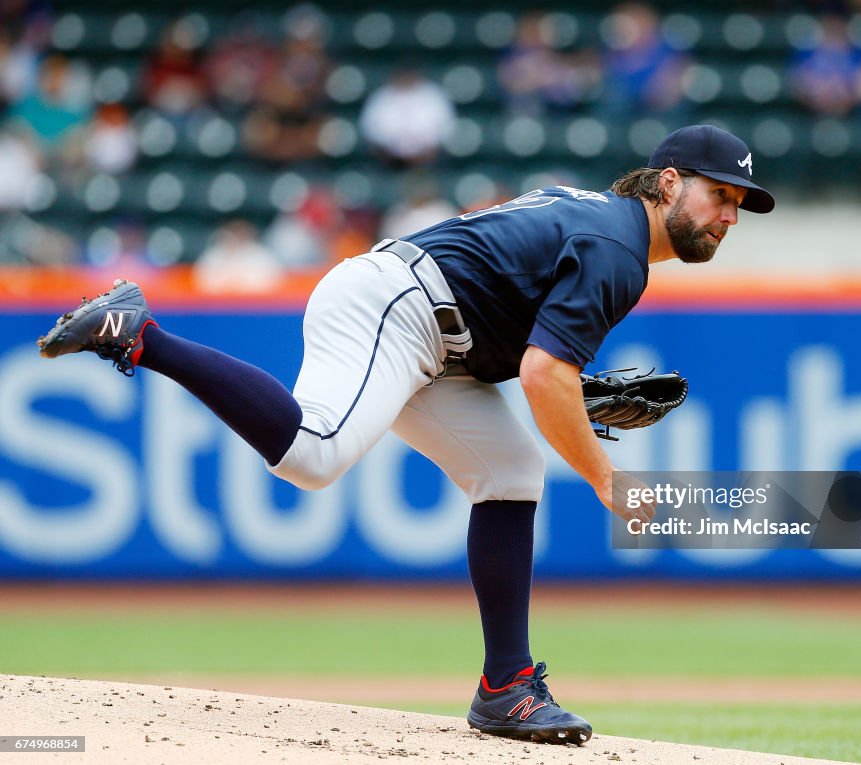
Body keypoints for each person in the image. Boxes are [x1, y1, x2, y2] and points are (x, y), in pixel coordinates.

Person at [37, 124, 774, 745]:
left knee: (513, 470)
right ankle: (141, 334)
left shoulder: (608, 225)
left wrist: (565, 389)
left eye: (739, 205)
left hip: (439, 337)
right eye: (720, 195)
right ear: (669, 182)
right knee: (314, 454)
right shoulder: (619, 247)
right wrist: (605, 476)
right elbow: (544, 371)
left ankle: (506, 687)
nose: (730, 216)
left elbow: (531, 347)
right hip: (397, 307)